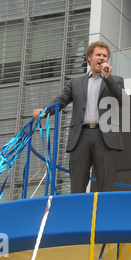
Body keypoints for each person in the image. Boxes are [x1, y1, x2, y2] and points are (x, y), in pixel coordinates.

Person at [33, 41, 124, 193]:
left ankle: (104, 215)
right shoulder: (75, 82)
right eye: (98, 55)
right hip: (81, 136)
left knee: (106, 185)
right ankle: (78, 215)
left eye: (105, 56)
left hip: (106, 138)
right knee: (77, 184)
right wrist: (44, 111)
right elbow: (61, 101)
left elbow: (122, 101)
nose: (102, 58)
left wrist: (108, 79)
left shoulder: (116, 80)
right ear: (89, 58)